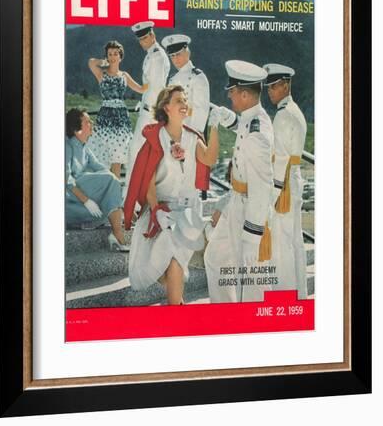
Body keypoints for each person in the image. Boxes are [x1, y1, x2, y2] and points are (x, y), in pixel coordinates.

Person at [124, 85, 219, 305]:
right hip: (160, 210)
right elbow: (147, 179)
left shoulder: (193, 137)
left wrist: (214, 127)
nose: (184, 104)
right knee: (162, 266)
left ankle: (175, 309)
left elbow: (209, 158)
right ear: (166, 107)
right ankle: (177, 308)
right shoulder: (155, 137)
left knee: (175, 262)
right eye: (179, 100)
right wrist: (156, 210)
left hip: (187, 212)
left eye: (186, 100)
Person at [204, 60, 274, 302]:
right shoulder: (250, 118)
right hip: (236, 201)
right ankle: (226, 317)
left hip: (248, 211)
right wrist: (228, 119)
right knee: (214, 258)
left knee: (251, 281)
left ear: (245, 94)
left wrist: (253, 236)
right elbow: (242, 129)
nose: (230, 97)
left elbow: (263, 187)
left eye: (232, 93)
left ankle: (253, 328)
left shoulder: (258, 134)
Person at [264, 63, 308, 299]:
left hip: (285, 185)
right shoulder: (295, 110)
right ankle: (298, 294)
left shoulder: (282, 116)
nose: (270, 91)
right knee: (294, 240)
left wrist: (273, 194)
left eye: (274, 86)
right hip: (295, 177)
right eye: (268, 87)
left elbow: (280, 159)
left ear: (286, 85)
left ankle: (285, 295)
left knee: (281, 243)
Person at [65, 108, 129, 252]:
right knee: (109, 179)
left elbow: (101, 168)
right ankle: (118, 235)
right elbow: (66, 179)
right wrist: (86, 200)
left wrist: (118, 191)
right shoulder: (66, 146)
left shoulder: (84, 147)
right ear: (76, 128)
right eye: (87, 121)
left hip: (78, 195)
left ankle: (115, 232)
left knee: (111, 179)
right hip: (69, 199)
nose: (92, 122)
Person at [87, 40, 143, 178]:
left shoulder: (124, 75)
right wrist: (104, 62)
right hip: (105, 116)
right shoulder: (102, 74)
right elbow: (91, 62)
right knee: (103, 155)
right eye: (110, 54)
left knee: (117, 157)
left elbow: (140, 89)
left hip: (121, 118)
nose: (112, 57)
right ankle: (105, 188)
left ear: (120, 56)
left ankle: (116, 190)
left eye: (115, 54)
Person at [125, 21, 170, 187]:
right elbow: (150, 87)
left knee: (135, 152)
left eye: (145, 37)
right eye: (140, 40)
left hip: (151, 113)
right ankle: (134, 195)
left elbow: (156, 89)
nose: (143, 42)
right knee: (140, 153)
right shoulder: (152, 54)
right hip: (148, 109)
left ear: (153, 35)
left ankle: (130, 195)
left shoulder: (157, 57)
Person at [162, 34, 210, 133]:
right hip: (172, 131)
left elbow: (201, 111)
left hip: (190, 130)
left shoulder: (198, 77)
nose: (175, 59)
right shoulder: (172, 79)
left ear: (187, 53)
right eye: (172, 56)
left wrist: (195, 135)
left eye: (178, 54)